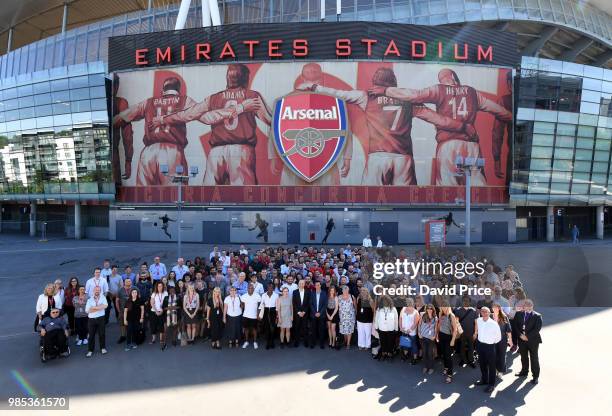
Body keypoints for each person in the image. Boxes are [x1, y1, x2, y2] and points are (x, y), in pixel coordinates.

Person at [474, 306, 502, 393]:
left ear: (489, 313)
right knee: (482, 364)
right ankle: (484, 380)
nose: (484, 313)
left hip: (490, 346)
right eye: (482, 311)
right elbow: (477, 331)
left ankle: (491, 384)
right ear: (480, 313)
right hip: (480, 345)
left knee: (492, 366)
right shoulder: (478, 320)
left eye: (486, 312)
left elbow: (499, 337)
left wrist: (491, 342)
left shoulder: (494, 323)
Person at [514, 299, 542, 385]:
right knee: (523, 356)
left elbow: (537, 329)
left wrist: (527, 337)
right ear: (524, 306)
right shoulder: (518, 314)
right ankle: (524, 371)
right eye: (527, 305)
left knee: (534, 358)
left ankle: (535, 376)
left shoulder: (537, 316)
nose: (529, 306)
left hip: (533, 341)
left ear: (532, 306)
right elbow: (515, 326)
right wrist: (520, 335)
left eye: (530, 305)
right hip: (522, 340)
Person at [436, 303, 458, 383]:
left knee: (448, 356)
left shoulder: (451, 315)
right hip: (441, 336)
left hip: (448, 337)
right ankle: (446, 367)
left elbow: (455, 329)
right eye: (442, 306)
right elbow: (439, 325)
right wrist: (437, 335)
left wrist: (452, 340)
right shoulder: (440, 314)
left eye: (445, 306)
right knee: (444, 354)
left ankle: (450, 374)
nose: (444, 308)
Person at [454, 296, 478, 367]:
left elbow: (476, 323)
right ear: (462, 301)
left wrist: (475, 333)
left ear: (470, 302)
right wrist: (458, 332)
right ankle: (463, 360)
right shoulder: (458, 310)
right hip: (461, 333)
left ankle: (471, 360)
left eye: (467, 300)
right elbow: (456, 322)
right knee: (462, 347)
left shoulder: (473, 311)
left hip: (471, 332)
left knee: (471, 347)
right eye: (464, 300)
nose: (465, 302)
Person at [85, 286, 108, 357]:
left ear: (100, 291)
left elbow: (105, 306)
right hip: (91, 320)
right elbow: (87, 310)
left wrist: (93, 308)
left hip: (101, 318)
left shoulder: (103, 297)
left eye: (98, 290)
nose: (97, 291)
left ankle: (103, 348)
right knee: (91, 335)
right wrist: (99, 307)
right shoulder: (89, 299)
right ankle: (90, 350)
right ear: (93, 291)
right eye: (96, 290)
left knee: (102, 334)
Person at [492, 303, 513, 374]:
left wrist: (510, 340)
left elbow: (508, 330)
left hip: (502, 340)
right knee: (493, 355)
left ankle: (500, 371)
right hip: (492, 340)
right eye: (493, 307)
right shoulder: (490, 316)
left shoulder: (504, 317)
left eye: (496, 307)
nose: (494, 309)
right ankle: (495, 370)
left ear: (499, 308)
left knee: (502, 355)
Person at [418, 304, 438, 375]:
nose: (429, 310)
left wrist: (434, 336)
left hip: (431, 338)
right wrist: (419, 333)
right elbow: (419, 324)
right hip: (423, 337)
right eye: (428, 308)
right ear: (426, 309)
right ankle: (426, 366)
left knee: (430, 354)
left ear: (433, 309)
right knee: (424, 353)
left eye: (431, 308)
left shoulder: (435, 317)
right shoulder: (423, 315)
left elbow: (436, 328)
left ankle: (431, 367)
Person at [399, 298, 420, 364]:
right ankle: (405, 356)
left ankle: (414, 359)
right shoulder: (403, 309)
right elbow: (400, 318)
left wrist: (410, 330)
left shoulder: (415, 312)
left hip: (412, 332)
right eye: (407, 302)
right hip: (404, 330)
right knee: (405, 344)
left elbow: (415, 323)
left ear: (412, 303)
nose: (408, 303)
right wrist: (401, 327)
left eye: (409, 302)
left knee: (413, 345)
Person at [241, 283, 261, 349]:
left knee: (254, 329)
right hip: (246, 315)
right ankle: (246, 341)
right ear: (247, 289)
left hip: (254, 316)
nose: (250, 289)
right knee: (246, 329)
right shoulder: (243, 296)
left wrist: (258, 315)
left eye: (252, 288)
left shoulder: (257, 296)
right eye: (249, 288)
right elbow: (242, 306)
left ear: (254, 289)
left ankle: (255, 342)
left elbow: (259, 306)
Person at [292, 279, 311, 348]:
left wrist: (304, 312)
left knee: (305, 328)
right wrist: (298, 312)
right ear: (298, 284)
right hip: (297, 313)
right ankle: (296, 342)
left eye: (303, 283)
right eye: (300, 283)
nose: (301, 285)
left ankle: (306, 342)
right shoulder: (295, 292)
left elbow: (309, 303)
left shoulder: (308, 292)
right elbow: (294, 303)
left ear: (304, 284)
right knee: (297, 328)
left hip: (305, 313)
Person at [259, 283, 279, 349]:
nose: (270, 288)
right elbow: (261, 304)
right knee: (267, 327)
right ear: (267, 288)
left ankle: (272, 341)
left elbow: (277, 306)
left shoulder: (276, 295)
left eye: (271, 287)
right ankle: (268, 342)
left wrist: (277, 316)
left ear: (273, 288)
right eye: (269, 287)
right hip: (266, 311)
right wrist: (259, 314)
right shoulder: (263, 295)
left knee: (273, 328)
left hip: (273, 311)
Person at [309, 281, 328, 349]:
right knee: (313, 330)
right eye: (316, 285)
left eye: (318, 285)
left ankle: (321, 343)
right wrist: (315, 313)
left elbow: (325, 304)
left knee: (321, 330)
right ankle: (313, 343)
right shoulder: (312, 293)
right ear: (314, 286)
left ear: (320, 286)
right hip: (313, 315)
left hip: (321, 315)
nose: (317, 286)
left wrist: (320, 313)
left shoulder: (324, 293)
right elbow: (310, 304)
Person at [150, 281, 167, 348]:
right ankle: (153, 339)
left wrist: (162, 310)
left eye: (161, 286)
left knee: (161, 325)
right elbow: (152, 303)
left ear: (163, 286)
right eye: (158, 286)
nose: (160, 287)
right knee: (153, 325)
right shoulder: (154, 293)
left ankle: (161, 339)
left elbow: (166, 303)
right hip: (154, 311)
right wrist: (156, 311)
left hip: (162, 311)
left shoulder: (165, 293)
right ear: (156, 287)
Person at [338, 285, 356, 350]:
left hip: (350, 316)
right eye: (344, 290)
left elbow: (355, 306)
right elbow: (337, 307)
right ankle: (345, 341)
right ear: (342, 290)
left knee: (349, 330)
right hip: (342, 316)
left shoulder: (352, 296)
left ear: (348, 290)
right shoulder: (339, 297)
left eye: (346, 290)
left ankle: (348, 343)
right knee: (343, 330)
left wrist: (355, 315)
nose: (345, 291)